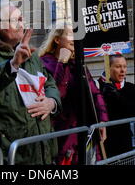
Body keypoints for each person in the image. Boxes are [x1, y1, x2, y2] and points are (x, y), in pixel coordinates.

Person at [0, 0, 62, 165]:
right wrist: (13, 65)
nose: (22, 24)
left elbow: (49, 84)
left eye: (22, 19)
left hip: (41, 151)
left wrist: (51, 102)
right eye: (15, 20)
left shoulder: (30, 54)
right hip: (6, 153)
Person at [39, 26, 108, 165]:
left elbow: (94, 93)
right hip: (61, 131)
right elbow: (56, 93)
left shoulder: (79, 64)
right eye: (70, 35)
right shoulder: (44, 63)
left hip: (85, 129)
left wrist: (102, 120)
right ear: (57, 39)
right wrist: (61, 63)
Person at [100, 54, 135, 157]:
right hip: (105, 142)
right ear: (108, 69)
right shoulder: (98, 86)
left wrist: (118, 96)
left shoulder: (131, 87)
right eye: (118, 67)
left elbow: (134, 112)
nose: (122, 70)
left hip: (124, 141)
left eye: (125, 66)